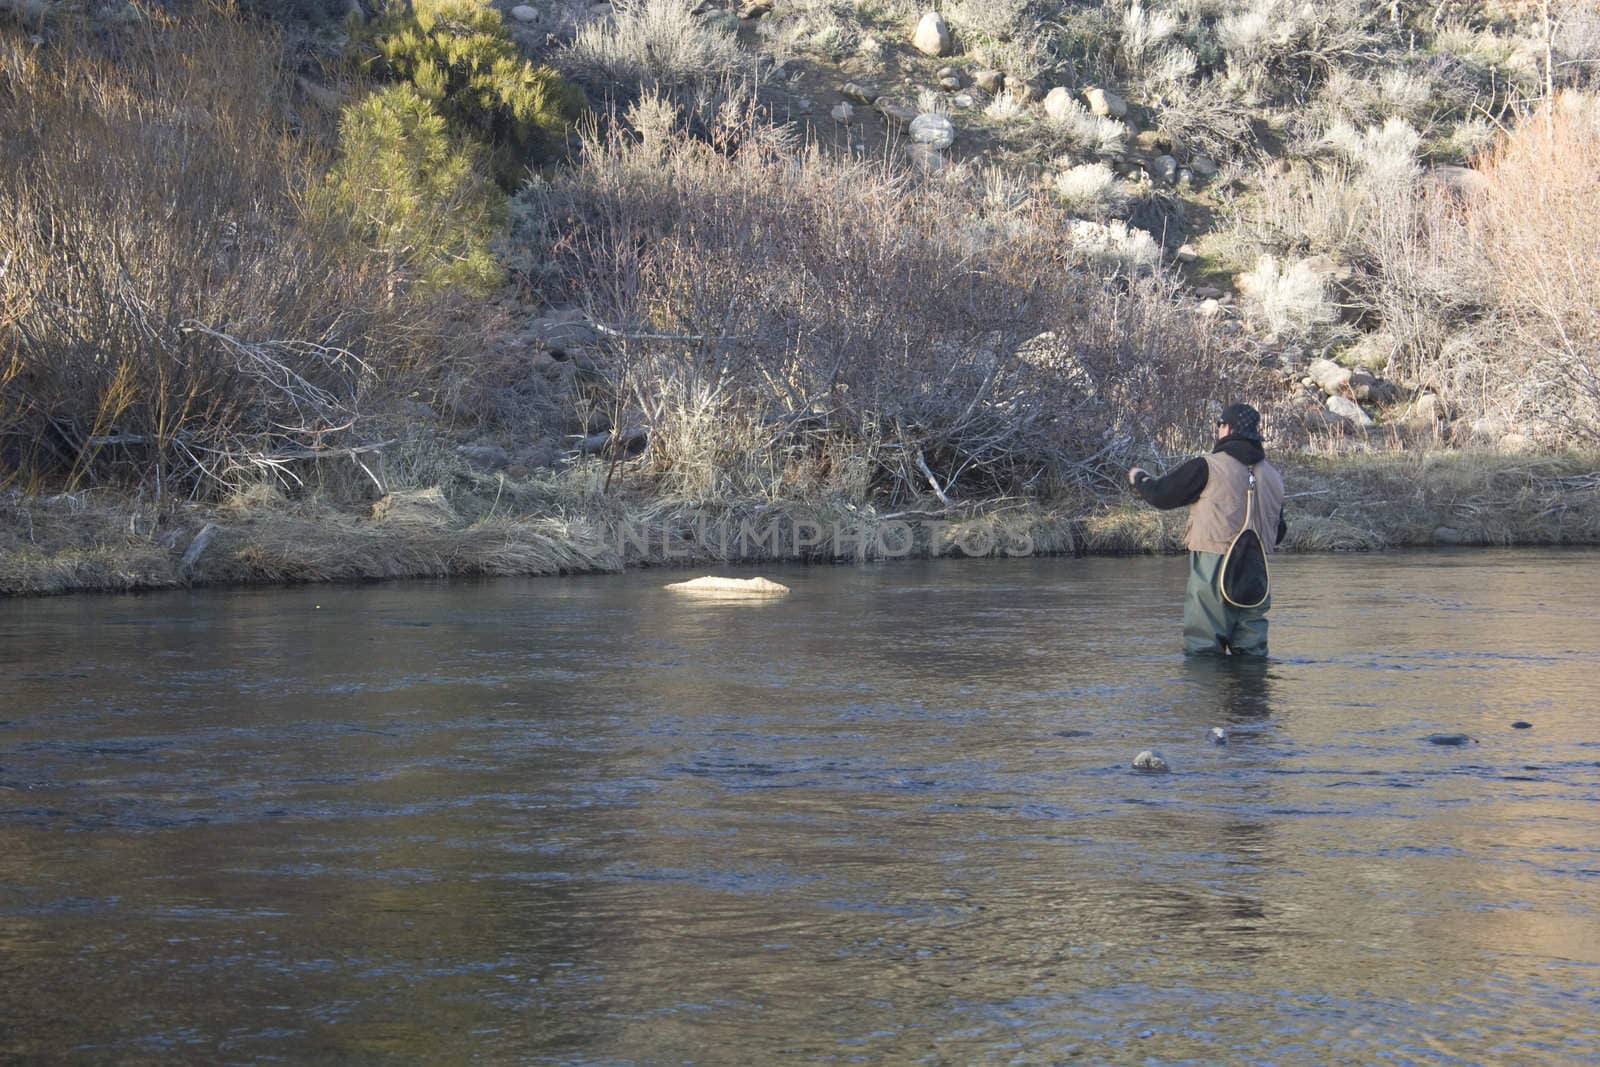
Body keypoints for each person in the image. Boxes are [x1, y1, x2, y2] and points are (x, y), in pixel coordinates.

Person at [1127, 403, 1287, 656]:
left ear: (1228, 428)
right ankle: (1253, 695)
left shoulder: (1208, 466)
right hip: (1257, 571)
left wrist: (1140, 479)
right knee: (1252, 651)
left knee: (1204, 648)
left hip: (1212, 565)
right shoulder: (1275, 477)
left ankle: (1206, 695)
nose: (1218, 430)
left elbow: (1162, 496)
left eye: (1219, 425)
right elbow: (1279, 532)